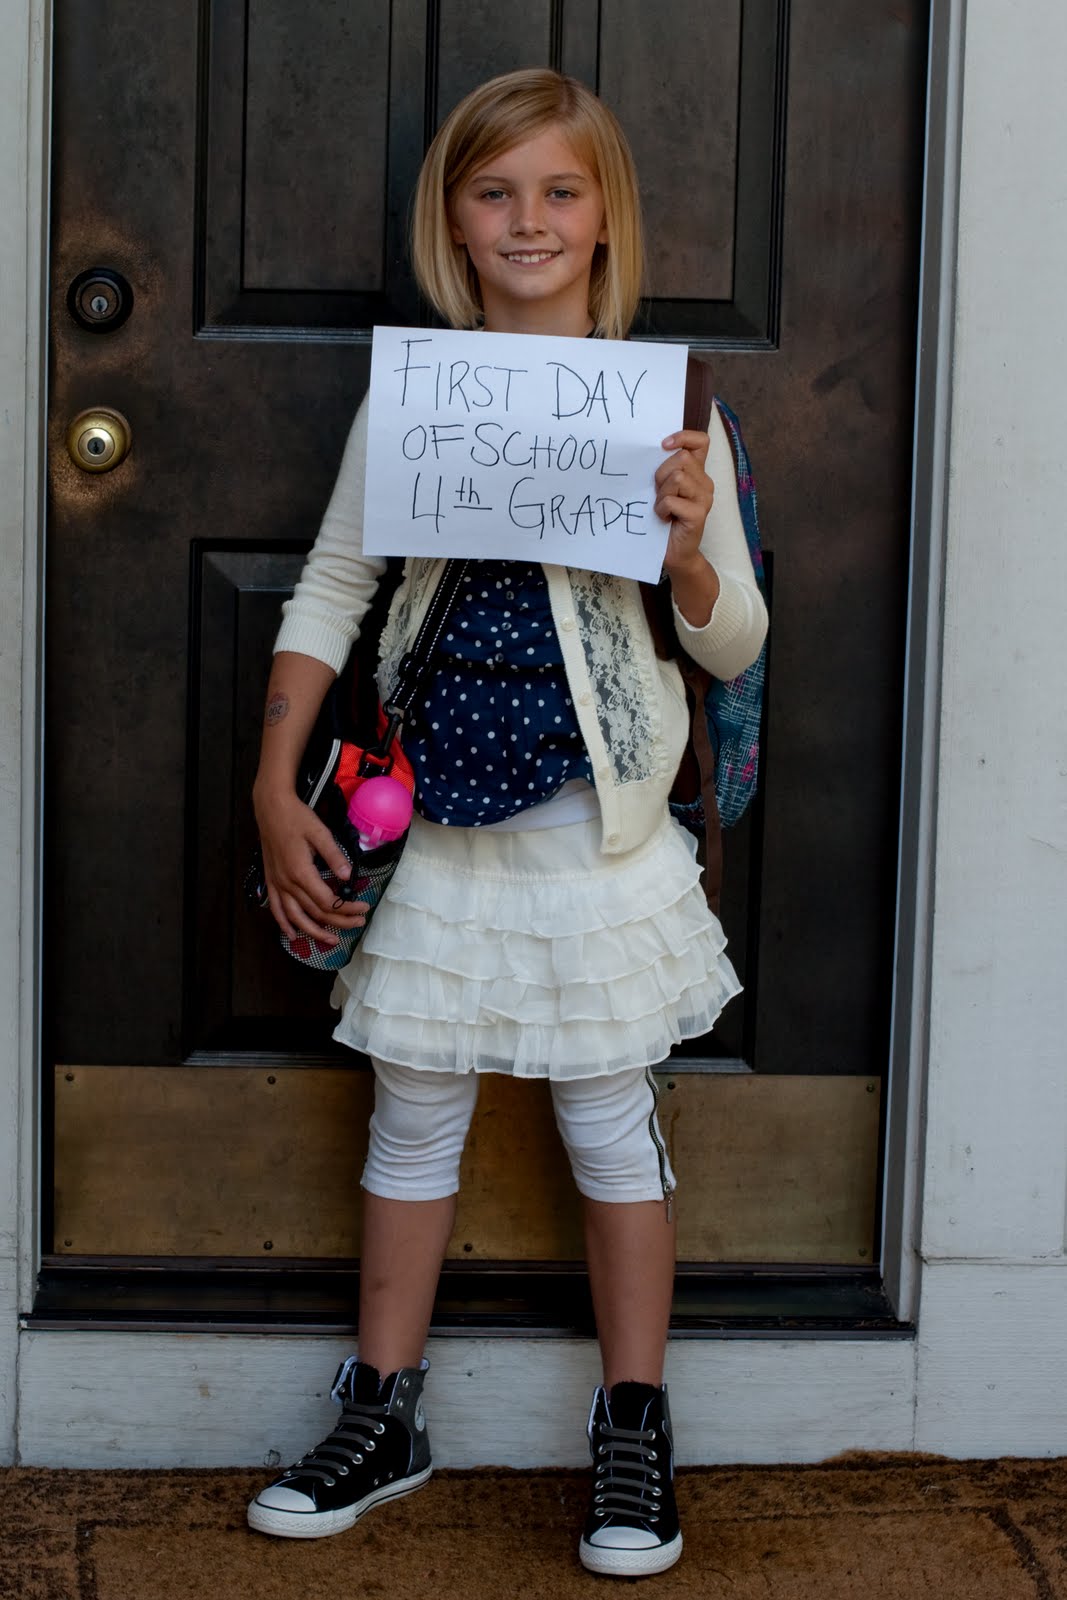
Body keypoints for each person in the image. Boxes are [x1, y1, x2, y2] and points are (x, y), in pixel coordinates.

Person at [246, 68, 767, 1578]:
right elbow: (336, 584)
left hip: (589, 834)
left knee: (608, 1117)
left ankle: (635, 1422)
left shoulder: (671, 413)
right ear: (454, 223)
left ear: (604, 219)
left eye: (558, 191)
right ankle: (386, 1409)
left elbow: (735, 639)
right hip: (434, 833)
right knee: (413, 1113)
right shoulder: (420, 397)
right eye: (494, 193)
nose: (526, 220)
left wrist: (686, 553)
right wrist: (273, 784)